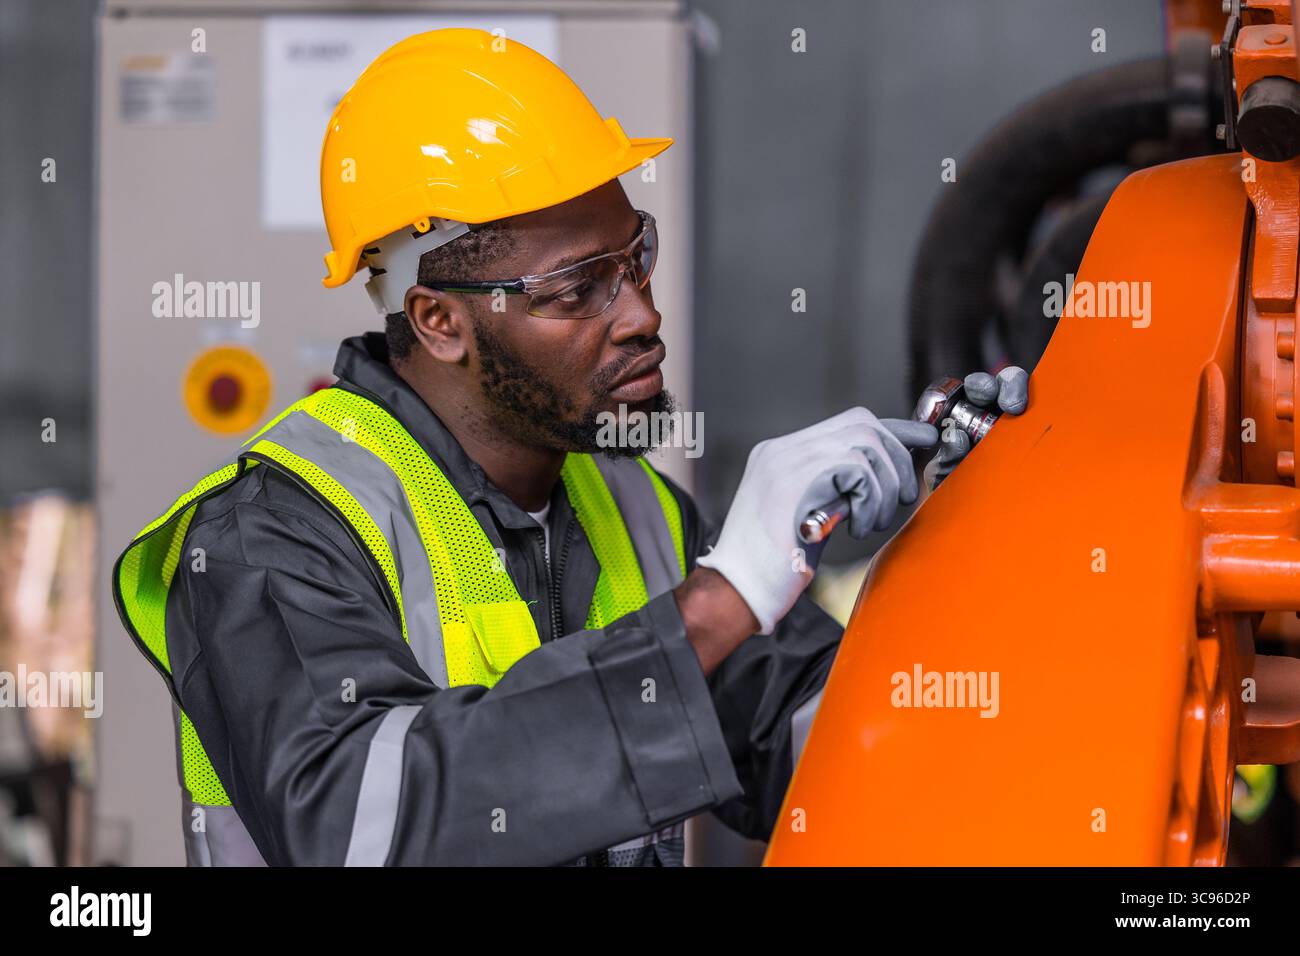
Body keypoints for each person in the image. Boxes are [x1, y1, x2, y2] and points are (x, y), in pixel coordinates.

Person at [113, 28, 1027, 866]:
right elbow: (360, 824)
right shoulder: (263, 539)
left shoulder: (638, 513)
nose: (643, 315)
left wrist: (953, 547)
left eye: (636, 259)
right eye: (579, 288)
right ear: (437, 321)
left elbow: (833, 757)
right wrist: (720, 601)